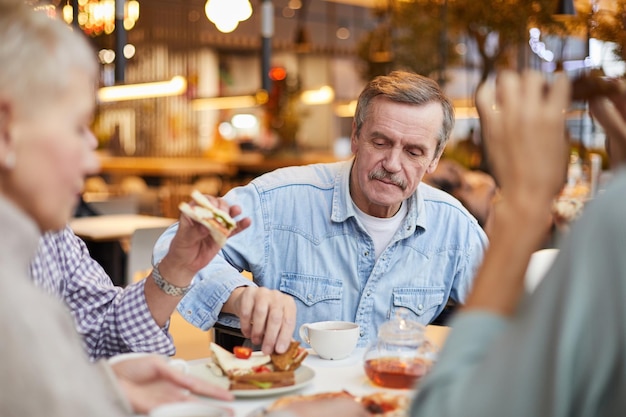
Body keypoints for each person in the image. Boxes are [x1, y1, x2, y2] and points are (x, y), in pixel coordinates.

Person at [0, 1, 241, 415]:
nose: (93, 162)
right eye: (78, 127)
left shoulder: (48, 238)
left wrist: (178, 267)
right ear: (6, 133)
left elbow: (105, 332)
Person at [155, 70, 489, 355]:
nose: (392, 164)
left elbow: (506, 317)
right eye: (381, 142)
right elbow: (173, 246)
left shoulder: (454, 228)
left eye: (414, 151)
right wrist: (239, 297)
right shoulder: (282, 200)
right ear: (356, 137)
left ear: (434, 158)